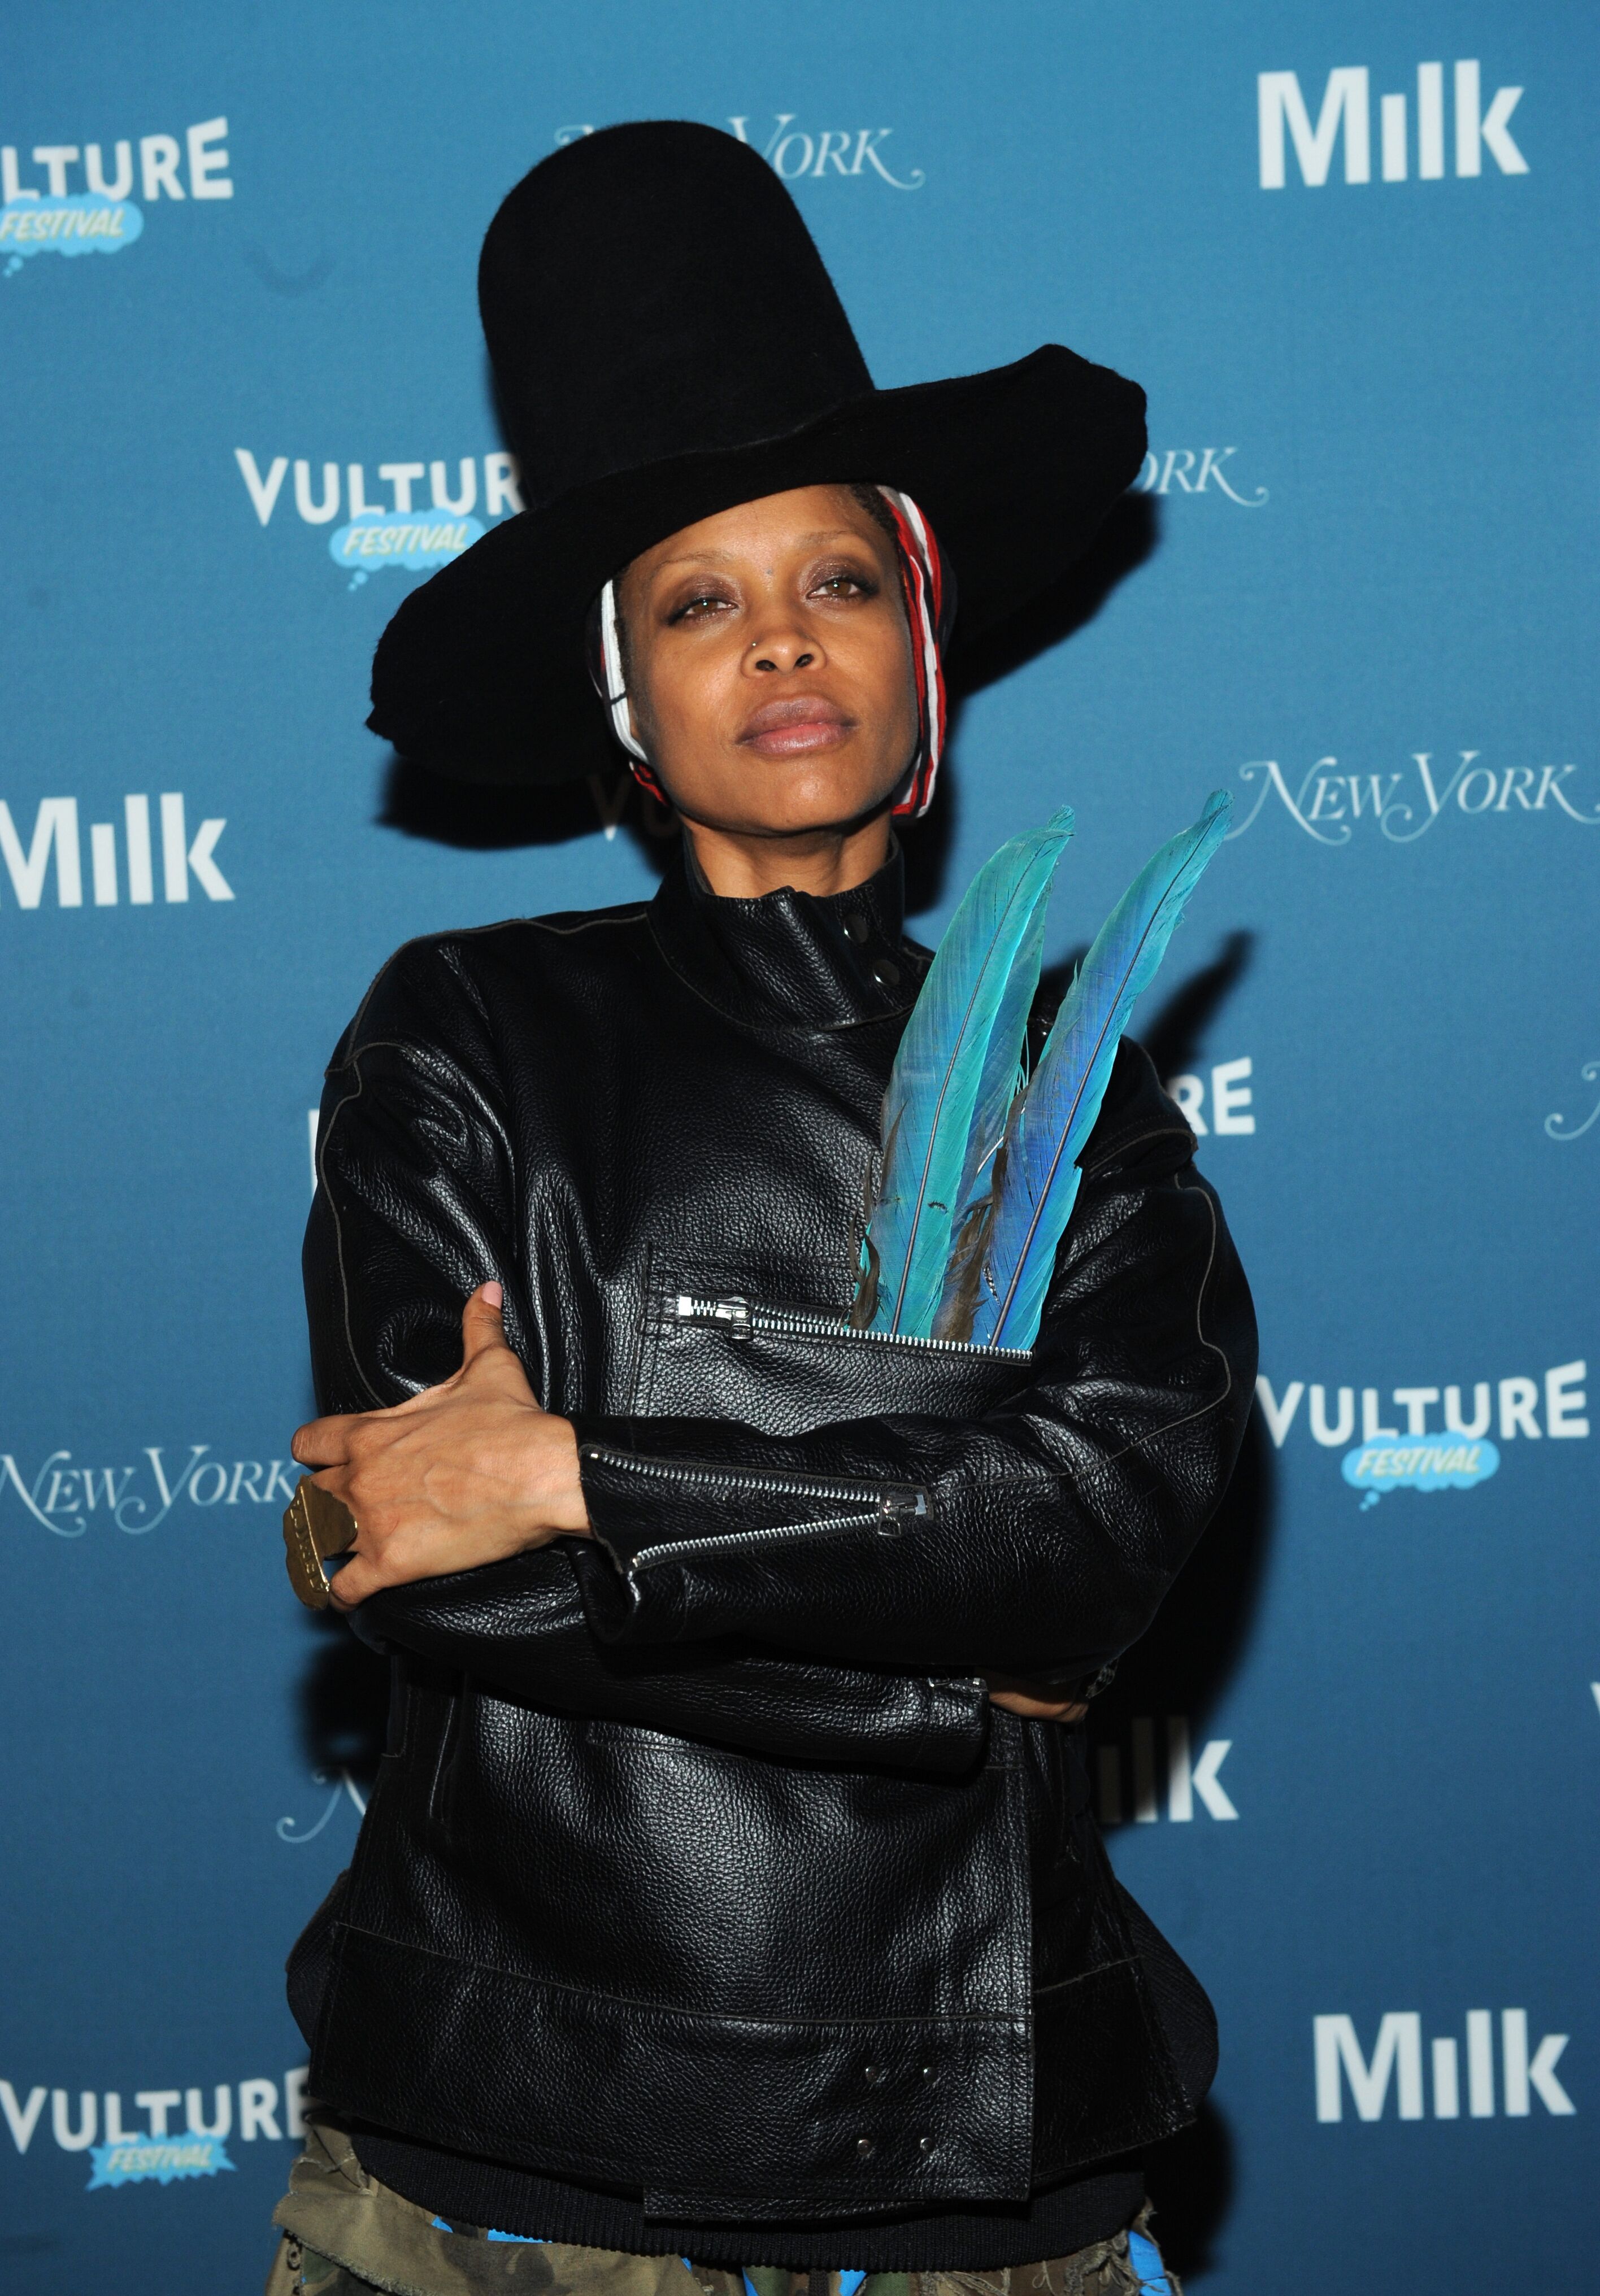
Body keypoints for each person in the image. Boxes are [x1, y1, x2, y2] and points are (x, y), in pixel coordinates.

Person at [267, 121, 1256, 2296]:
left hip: (980, 2163)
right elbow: (430, 1571)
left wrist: (570, 1469)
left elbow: (1103, 1522)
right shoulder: (463, 1033)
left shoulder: (1067, 1084)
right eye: (699, 602)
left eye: (831, 581)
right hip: (512, 2152)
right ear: (626, 701)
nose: (781, 647)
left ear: (921, 635)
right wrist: (950, 1676)